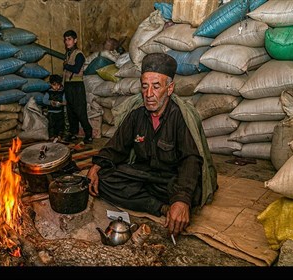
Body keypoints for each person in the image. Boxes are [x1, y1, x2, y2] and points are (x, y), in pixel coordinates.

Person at [86, 53, 218, 238]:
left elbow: (191, 160)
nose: (148, 94)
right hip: (145, 176)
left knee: (193, 194)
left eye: (156, 87)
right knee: (104, 179)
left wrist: (181, 200)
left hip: (171, 181)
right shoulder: (137, 114)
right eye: (145, 86)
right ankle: (162, 208)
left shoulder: (180, 116)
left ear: (170, 88)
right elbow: (116, 146)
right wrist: (96, 166)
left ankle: (167, 204)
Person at [62, 29, 93, 144]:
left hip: (77, 86)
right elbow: (66, 73)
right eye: (65, 40)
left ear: (75, 40)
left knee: (80, 111)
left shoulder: (79, 54)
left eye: (69, 39)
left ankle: (88, 134)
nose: (67, 42)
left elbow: (76, 68)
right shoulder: (68, 54)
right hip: (69, 85)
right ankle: (73, 133)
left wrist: (66, 65)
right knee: (71, 111)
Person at [42, 74, 66, 141]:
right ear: (51, 84)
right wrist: (50, 102)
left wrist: (62, 103)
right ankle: (52, 137)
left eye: (58, 85)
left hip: (60, 112)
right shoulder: (48, 92)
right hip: (51, 113)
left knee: (60, 125)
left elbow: (65, 101)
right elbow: (44, 101)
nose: (56, 87)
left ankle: (59, 136)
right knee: (51, 125)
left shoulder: (62, 92)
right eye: (54, 85)